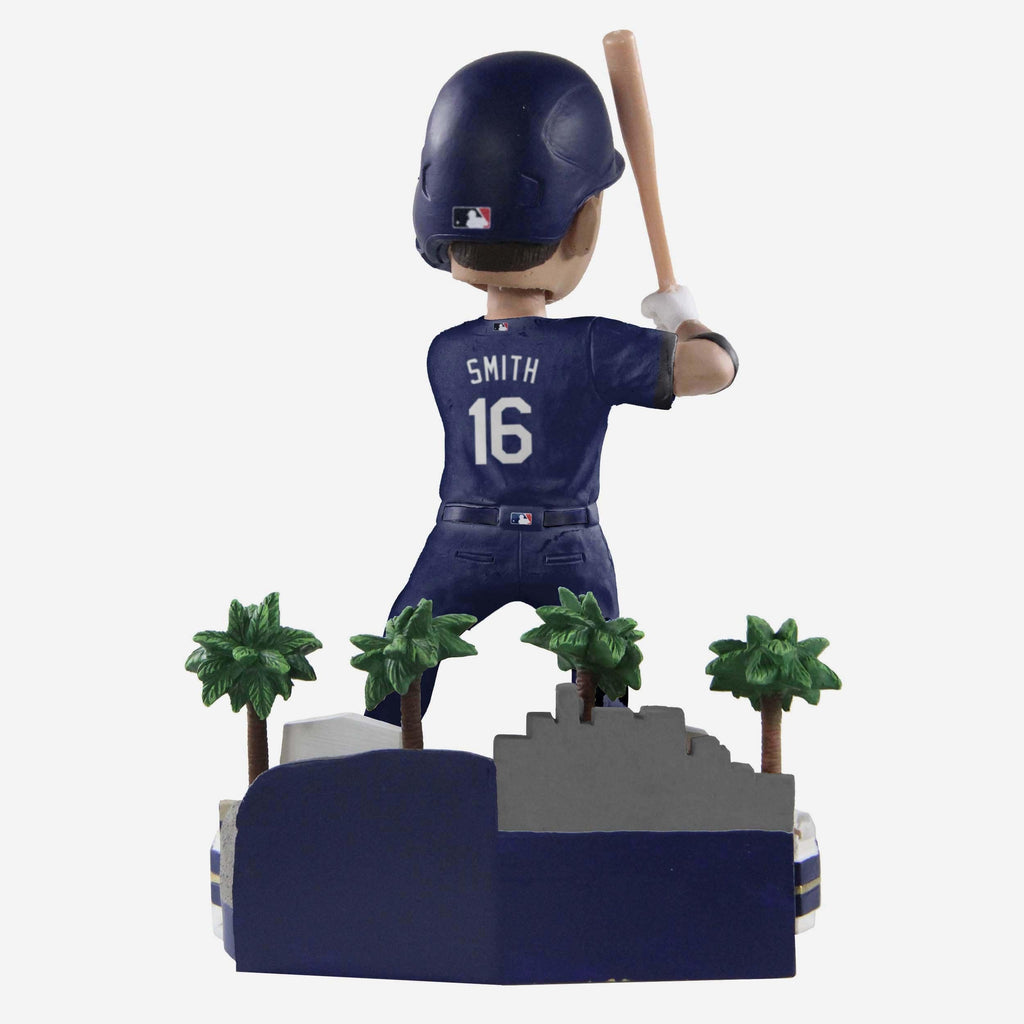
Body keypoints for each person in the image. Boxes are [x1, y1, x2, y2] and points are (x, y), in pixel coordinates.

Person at [368, 51, 736, 725]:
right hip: (566, 544)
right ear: (584, 223)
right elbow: (714, 369)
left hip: (463, 538)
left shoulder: (445, 353)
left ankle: (375, 755)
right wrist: (684, 319)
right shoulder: (591, 346)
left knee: (403, 649)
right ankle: (607, 757)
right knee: (604, 662)